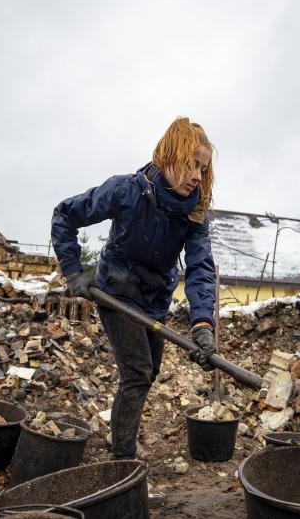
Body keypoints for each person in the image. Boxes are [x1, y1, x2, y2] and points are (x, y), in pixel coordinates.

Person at [51, 117, 218, 460]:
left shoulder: (194, 215)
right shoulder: (125, 190)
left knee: (150, 370)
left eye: (203, 168)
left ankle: (120, 439)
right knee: (138, 372)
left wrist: (203, 324)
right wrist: (73, 271)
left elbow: (200, 268)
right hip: (116, 291)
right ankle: (123, 458)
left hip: (156, 299)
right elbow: (65, 215)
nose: (198, 176)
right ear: (169, 157)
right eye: (192, 164)